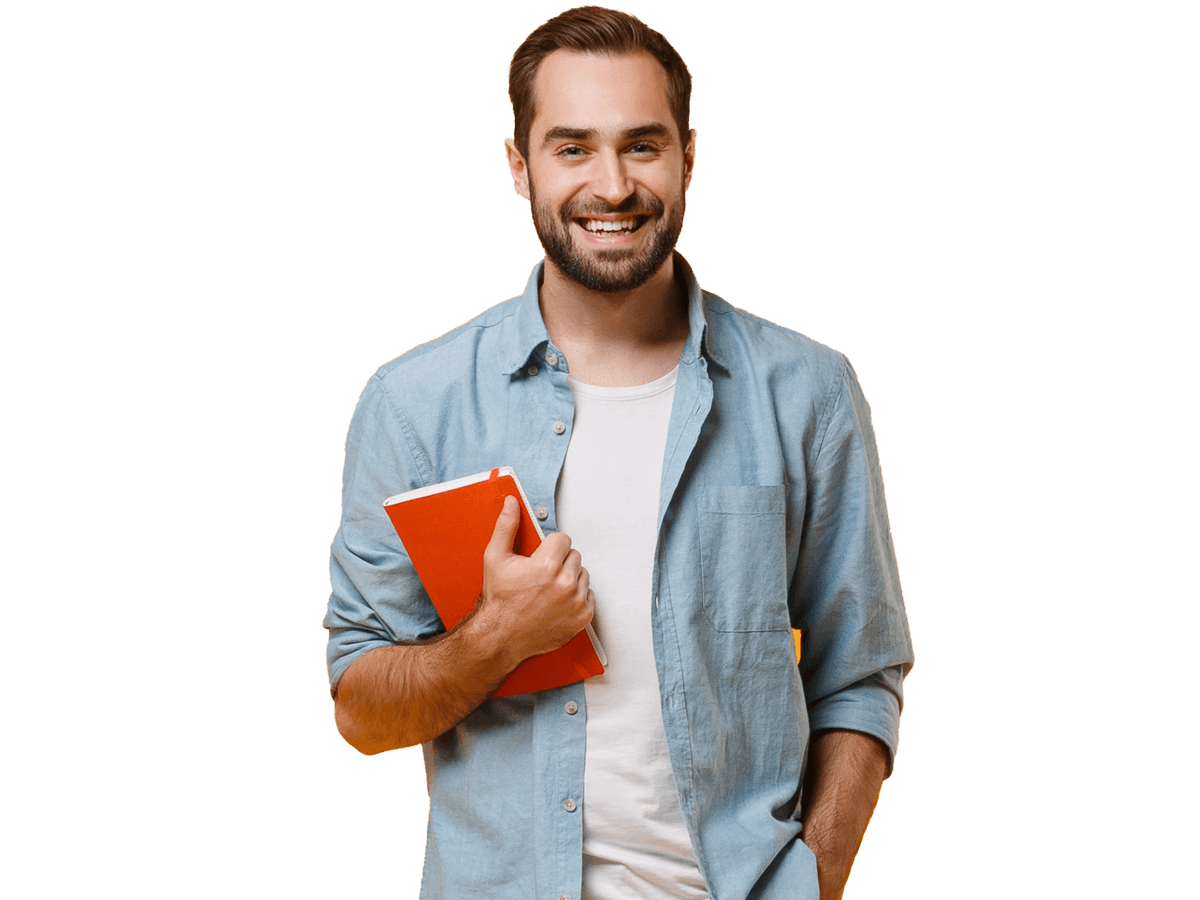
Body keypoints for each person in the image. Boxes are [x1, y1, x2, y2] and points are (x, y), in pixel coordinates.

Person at [325, 7, 913, 899]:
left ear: (687, 159)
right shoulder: (414, 405)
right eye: (572, 148)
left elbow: (861, 678)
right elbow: (362, 711)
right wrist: (495, 640)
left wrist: (816, 883)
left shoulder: (809, 391)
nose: (612, 185)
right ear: (520, 168)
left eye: (643, 145)